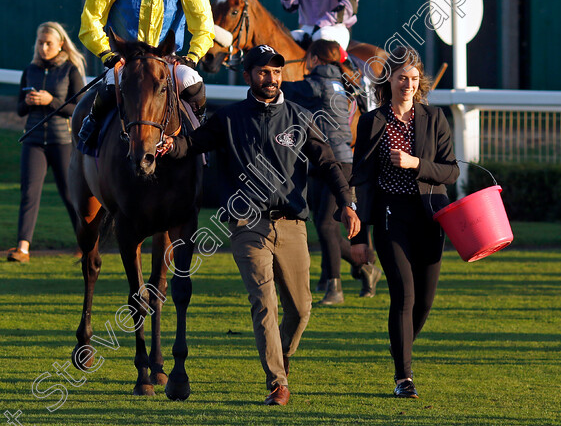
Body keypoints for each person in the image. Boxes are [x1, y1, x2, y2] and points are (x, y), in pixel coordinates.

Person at [160, 44, 360, 406]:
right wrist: (169, 146)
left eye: (277, 72)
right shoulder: (228, 118)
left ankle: (280, 359)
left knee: (300, 310)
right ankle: (277, 383)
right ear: (248, 75)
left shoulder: (299, 117)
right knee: (264, 301)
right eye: (264, 72)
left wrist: (347, 203)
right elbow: (191, 144)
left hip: (293, 226)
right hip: (246, 225)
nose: (271, 78)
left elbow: (329, 162)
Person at [347, 46, 459, 398]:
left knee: (424, 301)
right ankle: (404, 377)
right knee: (404, 295)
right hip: (391, 217)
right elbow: (361, 180)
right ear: (390, 80)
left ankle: (401, 346)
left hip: (430, 216)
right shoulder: (372, 121)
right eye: (401, 78)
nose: (408, 85)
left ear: (419, 82)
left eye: (413, 79)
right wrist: (359, 236)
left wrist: (415, 164)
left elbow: (451, 171)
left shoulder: (435, 118)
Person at [77, 0, 215, 152]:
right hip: (126, 60)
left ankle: (201, 133)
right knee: (110, 87)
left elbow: (204, 26)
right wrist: (107, 54)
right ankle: (91, 127)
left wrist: (192, 56)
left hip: (167, 60)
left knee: (193, 83)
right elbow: (90, 22)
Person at [281, 39, 381, 304]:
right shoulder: (338, 82)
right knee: (327, 228)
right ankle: (368, 269)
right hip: (332, 161)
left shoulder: (317, 84)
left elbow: (284, 90)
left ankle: (335, 288)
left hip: (335, 163)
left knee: (326, 225)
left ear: (314, 59)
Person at [7, 22, 86, 263]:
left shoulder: (71, 70)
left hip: (61, 141)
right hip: (32, 141)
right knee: (29, 193)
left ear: (60, 44)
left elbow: (79, 108)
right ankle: (23, 249)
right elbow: (20, 109)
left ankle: (86, 245)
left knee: (70, 194)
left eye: (48, 43)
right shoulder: (30, 70)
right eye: (40, 43)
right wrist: (30, 101)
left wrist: (51, 101)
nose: (43, 47)